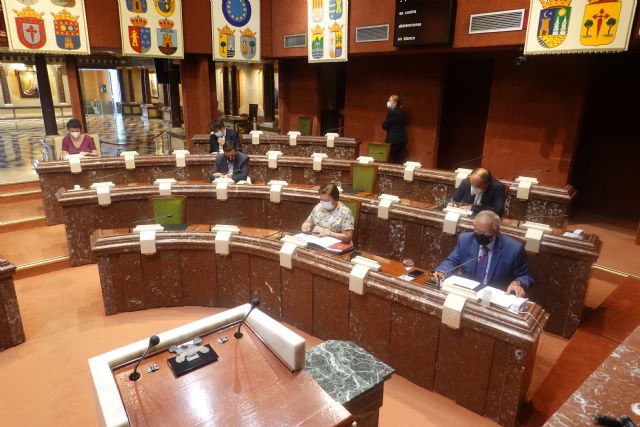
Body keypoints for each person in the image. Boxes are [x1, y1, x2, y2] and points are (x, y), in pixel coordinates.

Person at [431, 210, 533, 297]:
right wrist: (441, 272)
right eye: (477, 231)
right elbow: (452, 261)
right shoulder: (465, 239)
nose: (480, 235)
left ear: (496, 231)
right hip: (466, 292)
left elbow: (525, 276)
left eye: (485, 233)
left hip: (493, 297)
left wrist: (517, 283)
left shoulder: (513, 249)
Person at [381, 94, 407, 164]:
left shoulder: (392, 113)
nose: (388, 102)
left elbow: (384, 126)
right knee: (398, 161)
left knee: (389, 161)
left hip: (393, 141)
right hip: (402, 140)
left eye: (389, 101)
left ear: (395, 103)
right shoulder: (402, 112)